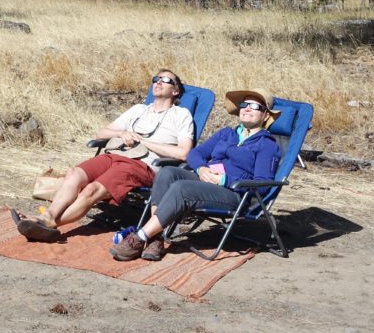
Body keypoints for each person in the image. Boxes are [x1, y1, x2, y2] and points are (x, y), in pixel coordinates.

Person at [15, 70, 195, 242]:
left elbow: (184, 153)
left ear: (175, 90)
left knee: (91, 190)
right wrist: (122, 133)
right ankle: (46, 217)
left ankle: (45, 223)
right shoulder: (139, 109)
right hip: (115, 154)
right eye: (156, 79)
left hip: (141, 165)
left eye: (166, 80)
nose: (159, 82)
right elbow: (102, 133)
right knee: (73, 174)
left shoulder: (181, 115)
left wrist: (144, 142)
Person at [110, 89, 282, 262]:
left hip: (235, 194)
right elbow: (195, 154)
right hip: (205, 180)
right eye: (244, 105)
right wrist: (201, 169)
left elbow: (264, 184)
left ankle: (139, 237)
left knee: (181, 188)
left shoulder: (267, 145)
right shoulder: (227, 133)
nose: (247, 109)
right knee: (167, 173)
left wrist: (224, 179)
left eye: (255, 106)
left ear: (266, 115)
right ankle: (156, 237)